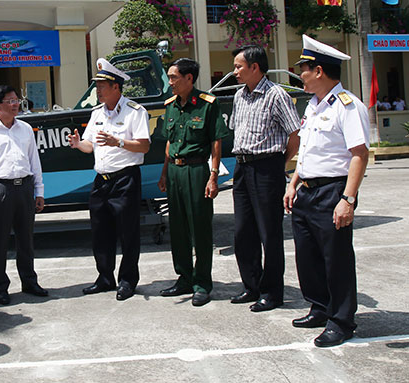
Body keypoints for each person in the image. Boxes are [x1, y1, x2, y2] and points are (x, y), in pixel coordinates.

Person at [284, 35, 369, 347]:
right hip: (306, 190)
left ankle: (342, 320)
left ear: (318, 71)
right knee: (308, 257)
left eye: (303, 68)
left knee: (336, 259)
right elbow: (305, 150)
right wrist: (293, 183)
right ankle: (320, 307)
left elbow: (359, 154)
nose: (300, 73)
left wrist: (347, 199)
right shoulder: (313, 106)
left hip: (333, 191)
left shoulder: (347, 106)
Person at [68, 58, 150, 301]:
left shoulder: (135, 111)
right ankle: (105, 278)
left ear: (116, 86)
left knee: (128, 233)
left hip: (125, 179)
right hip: (101, 181)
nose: (98, 90)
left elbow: (144, 146)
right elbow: (89, 145)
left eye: (102, 85)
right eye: (97, 86)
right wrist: (77, 144)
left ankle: (127, 280)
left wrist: (119, 142)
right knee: (100, 232)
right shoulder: (96, 114)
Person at [229, 45, 300, 312]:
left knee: (269, 233)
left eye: (238, 66)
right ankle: (252, 286)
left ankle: (272, 293)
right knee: (243, 231)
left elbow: (295, 135)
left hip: (267, 167)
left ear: (255, 67)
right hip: (242, 167)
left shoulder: (276, 95)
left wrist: (279, 164)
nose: (234, 71)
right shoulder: (239, 96)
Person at [157, 58, 229, 306]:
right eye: (169, 77)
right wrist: (164, 173)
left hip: (197, 170)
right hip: (175, 172)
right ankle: (184, 278)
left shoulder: (208, 104)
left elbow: (216, 141)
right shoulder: (171, 106)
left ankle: (202, 283)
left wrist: (214, 175)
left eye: (174, 77)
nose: (170, 82)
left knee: (200, 228)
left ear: (189, 78)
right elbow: (169, 141)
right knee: (177, 228)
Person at [0, 85, 47, 305]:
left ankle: (29, 281)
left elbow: (34, 161)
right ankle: (1, 287)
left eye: (17, 101)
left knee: (26, 239)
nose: (16, 105)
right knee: (0, 240)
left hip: (24, 186)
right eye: (10, 101)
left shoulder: (25, 128)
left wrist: (39, 190)